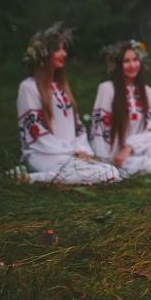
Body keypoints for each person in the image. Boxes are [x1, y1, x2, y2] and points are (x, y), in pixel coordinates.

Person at [16, 23, 121, 184]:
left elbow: (77, 126)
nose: (64, 53)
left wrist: (82, 150)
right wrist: (70, 151)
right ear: (44, 55)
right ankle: (34, 178)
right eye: (58, 49)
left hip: (69, 155)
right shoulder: (28, 87)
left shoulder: (60, 89)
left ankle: (42, 178)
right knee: (106, 174)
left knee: (111, 172)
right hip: (43, 155)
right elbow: (34, 133)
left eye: (64, 49)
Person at [90, 40, 151, 177]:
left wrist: (130, 146)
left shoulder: (147, 92)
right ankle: (118, 169)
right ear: (118, 64)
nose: (132, 65)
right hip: (116, 155)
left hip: (141, 149)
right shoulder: (107, 89)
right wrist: (103, 160)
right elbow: (98, 129)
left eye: (135, 59)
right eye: (126, 61)